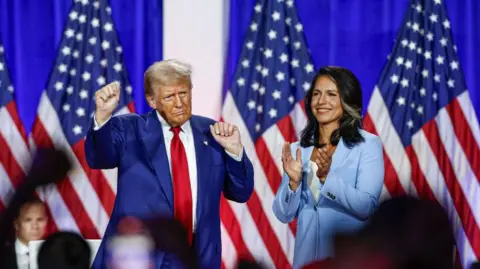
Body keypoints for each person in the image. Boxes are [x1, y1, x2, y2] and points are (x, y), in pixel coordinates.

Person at [85, 59, 254, 269]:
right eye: (169, 97)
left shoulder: (211, 132)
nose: (179, 103)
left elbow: (240, 192)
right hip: (144, 256)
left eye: (183, 93)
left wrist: (234, 151)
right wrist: (102, 116)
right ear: (152, 100)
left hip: (198, 256)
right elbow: (99, 158)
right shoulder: (130, 129)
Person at [272, 66, 385, 269]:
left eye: (331, 94)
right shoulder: (300, 150)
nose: (321, 101)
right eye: (316, 94)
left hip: (347, 261)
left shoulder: (368, 145)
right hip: (307, 262)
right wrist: (293, 183)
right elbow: (283, 214)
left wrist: (326, 179)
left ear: (347, 100)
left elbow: (366, 207)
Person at [4, 198, 49, 269]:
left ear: (46, 221)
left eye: (40, 219)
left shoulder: (57, 254)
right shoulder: (3, 256)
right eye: (28, 220)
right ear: (16, 224)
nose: (35, 226)